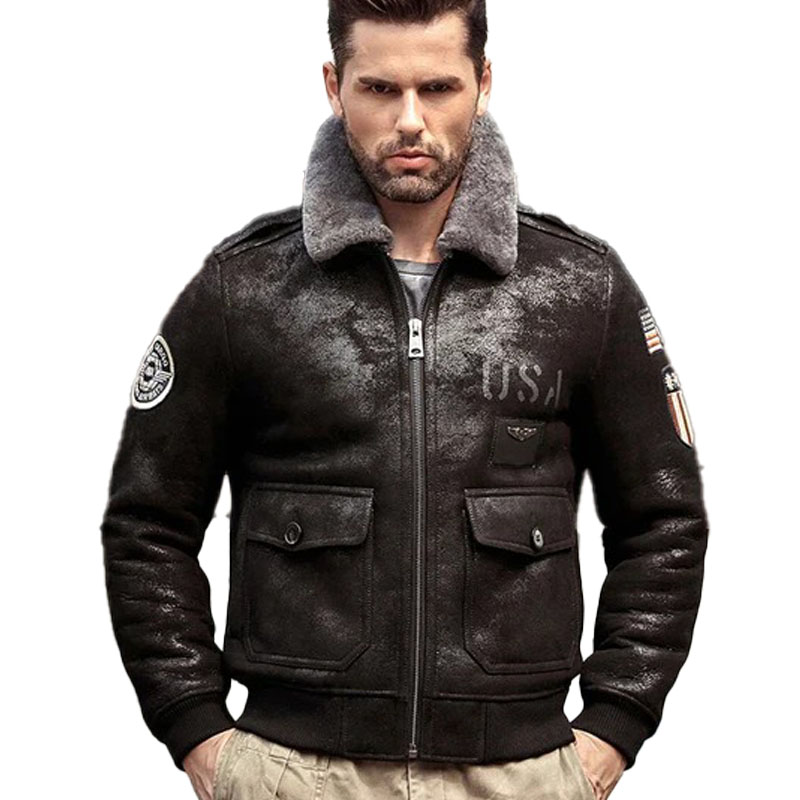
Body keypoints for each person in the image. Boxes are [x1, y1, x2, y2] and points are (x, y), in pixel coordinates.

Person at [100, 1, 709, 798]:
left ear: (483, 83)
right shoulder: (243, 289)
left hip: (522, 774)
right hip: (296, 771)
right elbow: (148, 521)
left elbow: (663, 522)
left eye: (439, 87)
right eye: (381, 88)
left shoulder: (578, 289)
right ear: (335, 85)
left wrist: (612, 728)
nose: (411, 120)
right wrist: (195, 727)